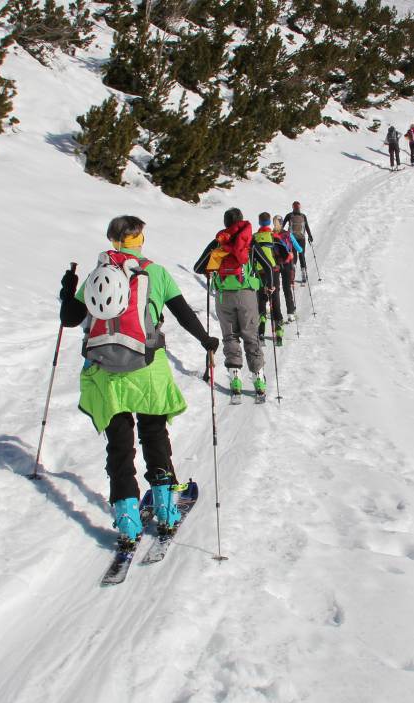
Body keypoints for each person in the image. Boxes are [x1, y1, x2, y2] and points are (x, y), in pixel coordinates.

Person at [58, 216, 219, 547]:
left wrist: (67, 290)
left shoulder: (96, 275)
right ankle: (165, 509)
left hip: (104, 373)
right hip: (147, 369)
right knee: (154, 435)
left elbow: (69, 319)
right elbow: (182, 313)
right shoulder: (156, 273)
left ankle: (128, 520)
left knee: (118, 446)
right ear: (139, 238)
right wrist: (206, 340)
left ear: (111, 239)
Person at [192, 208, 274, 399]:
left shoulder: (219, 241)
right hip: (247, 295)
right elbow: (268, 266)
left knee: (230, 337)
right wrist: (269, 287)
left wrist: (211, 268)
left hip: (223, 297)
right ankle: (259, 380)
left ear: (226, 223)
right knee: (251, 335)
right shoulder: (250, 242)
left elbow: (198, 267)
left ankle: (235, 379)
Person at [252, 212, 287, 346]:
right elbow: (286, 254)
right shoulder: (273, 236)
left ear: (259, 222)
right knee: (275, 299)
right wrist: (279, 264)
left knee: (261, 300)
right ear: (269, 223)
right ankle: (278, 333)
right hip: (273, 272)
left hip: (259, 272)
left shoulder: (254, 237)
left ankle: (260, 332)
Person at [272, 216, 300, 324]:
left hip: (276, 264)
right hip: (287, 263)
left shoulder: (271, 234)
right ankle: (290, 314)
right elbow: (299, 249)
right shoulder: (288, 234)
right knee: (287, 288)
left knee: (276, 289)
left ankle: (277, 316)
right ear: (282, 223)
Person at [282, 200, 314, 284]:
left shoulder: (289, 215)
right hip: (301, 239)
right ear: (299, 207)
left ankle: (292, 274)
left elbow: (282, 226)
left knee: (293, 257)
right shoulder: (303, 216)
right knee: (302, 255)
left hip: (292, 239)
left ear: (293, 207)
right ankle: (304, 274)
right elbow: (306, 227)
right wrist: (310, 236)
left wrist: (283, 235)